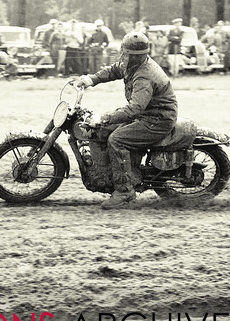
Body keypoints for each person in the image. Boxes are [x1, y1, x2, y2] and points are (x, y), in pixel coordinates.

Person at [75, 31, 178, 209]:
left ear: (135, 56)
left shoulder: (144, 76)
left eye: (126, 53)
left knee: (117, 140)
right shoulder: (132, 65)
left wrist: (104, 118)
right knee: (102, 130)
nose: (122, 56)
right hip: (147, 114)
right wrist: (91, 79)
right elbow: (115, 69)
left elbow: (134, 108)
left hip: (157, 120)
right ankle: (111, 175)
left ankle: (124, 191)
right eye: (123, 52)